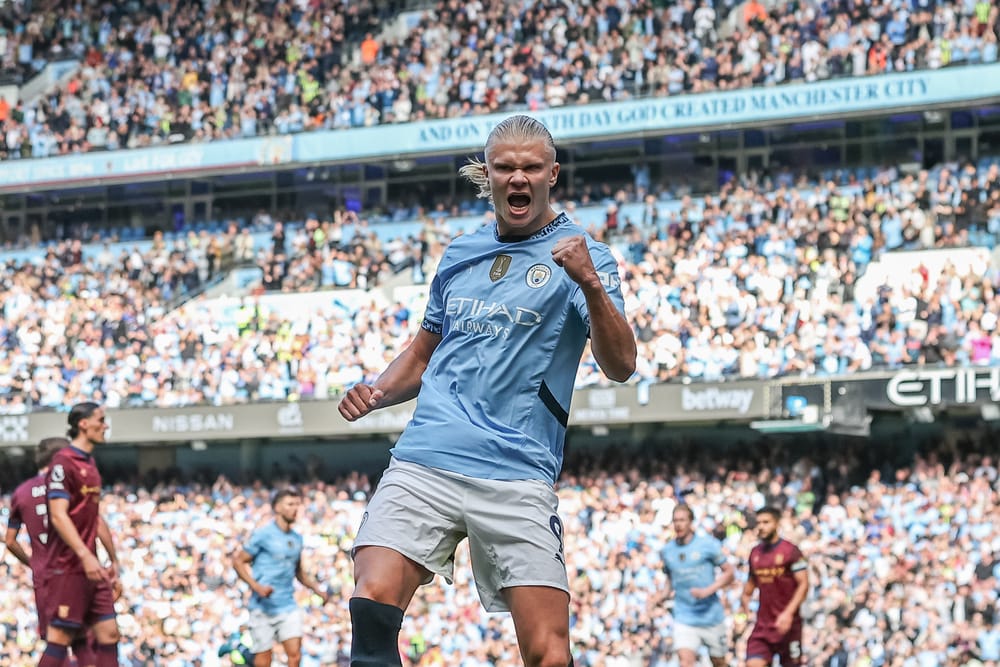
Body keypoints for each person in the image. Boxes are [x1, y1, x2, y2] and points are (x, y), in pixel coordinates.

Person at [338, 114, 637, 667]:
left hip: (516, 470)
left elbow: (620, 366)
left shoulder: (585, 257)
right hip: (426, 457)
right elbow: (423, 354)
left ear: (552, 174)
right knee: (371, 600)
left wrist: (590, 285)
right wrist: (376, 391)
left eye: (530, 167)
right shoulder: (461, 253)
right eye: (505, 167)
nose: (517, 177)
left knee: (548, 654)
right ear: (488, 173)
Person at [39, 403, 122, 667]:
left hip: (92, 566)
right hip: (68, 566)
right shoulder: (63, 462)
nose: (105, 425)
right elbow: (58, 515)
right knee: (61, 639)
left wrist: (114, 559)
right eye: (101, 420)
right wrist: (85, 555)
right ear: (83, 424)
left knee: (109, 634)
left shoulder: (91, 463)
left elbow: (94, 517)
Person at [233, 488, 330, 667]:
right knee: (264, 661)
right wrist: (256, 587)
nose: (295, 509)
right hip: (262, 608)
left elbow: (298, 572)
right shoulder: (263, 534)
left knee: (295, 655)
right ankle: (239, 649)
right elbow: (238, 561)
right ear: (277, 507)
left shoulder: (297, 538)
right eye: (290, 504)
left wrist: (317, 590)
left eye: (297, 505)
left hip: (287, 605)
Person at [660, 504, 734, 667]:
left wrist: (708, 591)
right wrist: (661, 596)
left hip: (711, 616)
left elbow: (729, 573)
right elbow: (670, 580)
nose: (678, 524)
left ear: (691, 522)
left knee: (719, 662)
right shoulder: (667, 550)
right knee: (685, 661)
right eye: (675, 521)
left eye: (682, 520)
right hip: (684, 616)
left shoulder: (707, 544)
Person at [739, 507, 809, 667]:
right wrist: (744, 603)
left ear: (776, 523)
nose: (761, 526)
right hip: (763, 626)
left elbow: (804, 584)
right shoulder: (755, 553)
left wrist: (788, 613)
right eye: (758, 523)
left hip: (789, 626)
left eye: (766, 522)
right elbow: (750, 584)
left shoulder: (791, 551)